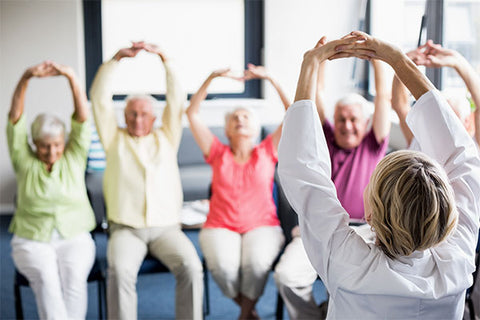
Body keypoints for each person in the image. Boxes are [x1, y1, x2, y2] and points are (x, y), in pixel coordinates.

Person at [278, 30, 480, 318]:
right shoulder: (458, 261)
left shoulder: (349, 264)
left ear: (370, 216)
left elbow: (303, 171)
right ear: (448, 212)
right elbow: (463, 157)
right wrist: (397, 59)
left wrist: (310, 63)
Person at [273, 37, 390, 320]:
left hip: (367, 232)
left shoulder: (373, 142)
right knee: (286, 277)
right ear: (333, 122)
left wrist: (375, 57)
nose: (347, 126)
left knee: (364, 288)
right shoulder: (326, 137)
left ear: (364, 123)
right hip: (320, 229)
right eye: (341, 120)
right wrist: (320, 58)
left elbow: (384, 96)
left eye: (353, 120)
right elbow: (316, 95)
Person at [89, 42, 203, 320]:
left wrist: (166, 60)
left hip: (166, 229)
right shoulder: (113, 139)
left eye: (143, 114)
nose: (138, 119)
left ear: (154, 117)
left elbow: (176, 100)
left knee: (191, 266)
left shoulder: (166, 137)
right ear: (124, 116)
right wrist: (115, 60)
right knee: (120, 271)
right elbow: (99, 99)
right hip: (126, 229)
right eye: (132, 114)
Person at [185, 64, 288, 319]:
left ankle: (244, 315)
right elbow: (192, 113)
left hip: (263, 225)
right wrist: (211, 76)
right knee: (223, 268)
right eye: (234, 118)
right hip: (220, 225)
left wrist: (272, 78)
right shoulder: (217, 152)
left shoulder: (266, 151)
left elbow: (294, 113)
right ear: (227, 130)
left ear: (255, 129)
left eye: (246, 117)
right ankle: (249, 310)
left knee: (255, 265)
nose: (240, 120)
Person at [7, 61, 96, 320]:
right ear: (34, 144)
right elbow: (15, 122)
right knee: (47, 281)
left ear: (64, 142)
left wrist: (70, 77)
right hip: (31, 239)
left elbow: (82, 119)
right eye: (45, 146)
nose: (52, 151)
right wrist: (25, 78)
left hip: (75, 236)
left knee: (75, 280)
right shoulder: (24, 161)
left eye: (57, 144)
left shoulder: (74, 156)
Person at [392, 40, 480, 151]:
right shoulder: (422, 143)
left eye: (451, 118)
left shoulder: (472, 151)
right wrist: (403, 62)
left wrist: (457, 62)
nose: (443, 124)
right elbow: (400, 105)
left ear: (466, 122)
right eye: (440, 118)